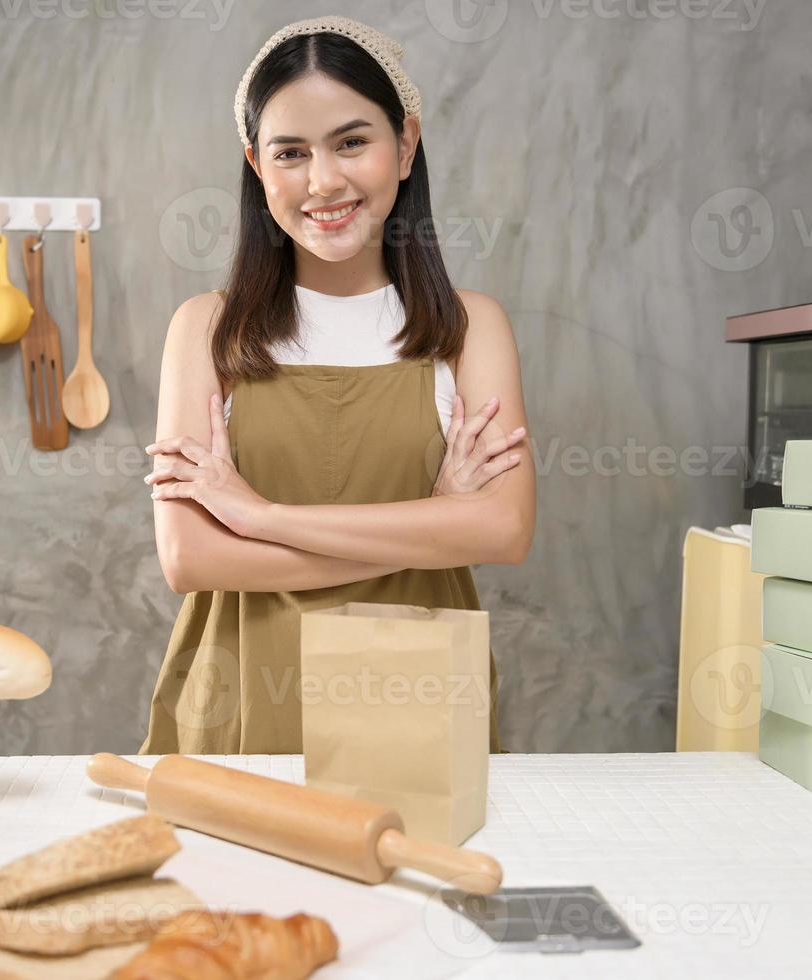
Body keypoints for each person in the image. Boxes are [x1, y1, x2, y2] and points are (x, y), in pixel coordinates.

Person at [139, 16, 536, 755]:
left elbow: (503, 531)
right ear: (257, 167)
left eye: (352, 142)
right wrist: (435, 523)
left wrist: (259, 516)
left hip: (417, 715)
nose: (323, 181)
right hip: (239, 709)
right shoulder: (204, 330)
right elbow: (190, 560)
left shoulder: (470, 328)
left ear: (405, 145)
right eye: (291, 153)